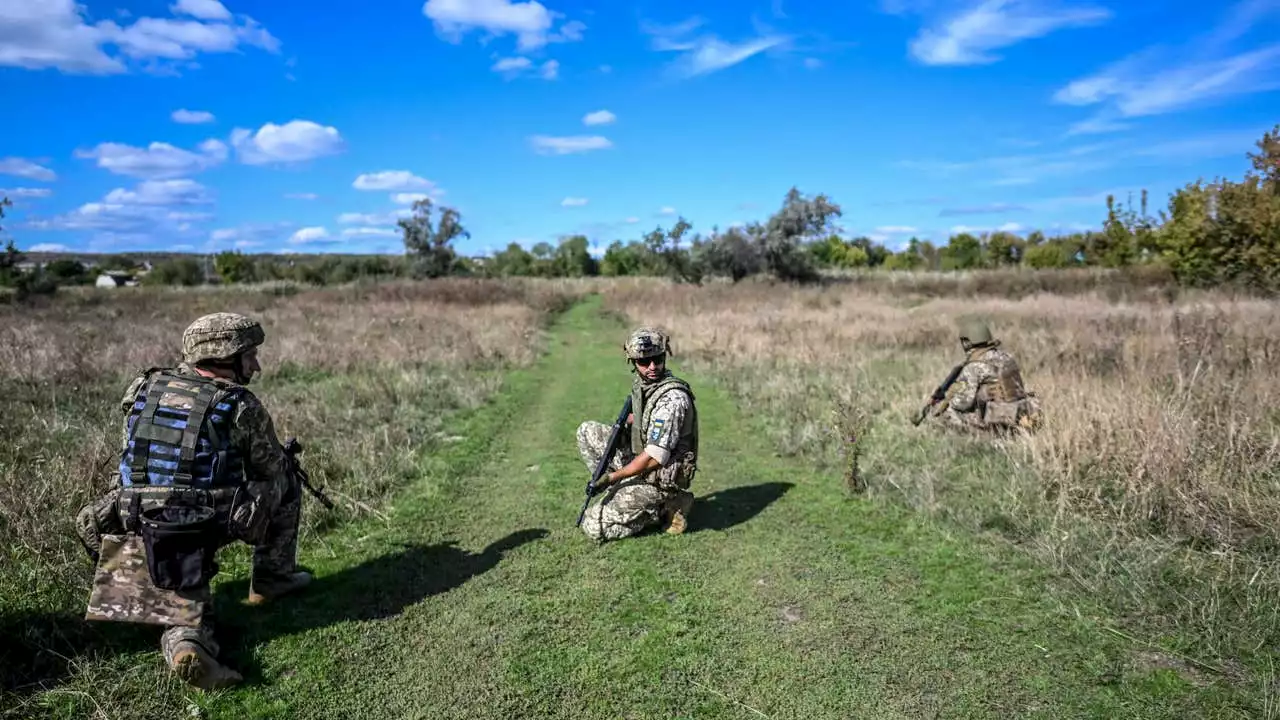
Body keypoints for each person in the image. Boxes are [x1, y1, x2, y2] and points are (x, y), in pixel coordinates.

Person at [75, 312, 311, 690]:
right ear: (225, 355)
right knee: (287, 476)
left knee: (175, 588)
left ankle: (152, 609)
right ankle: (269, 580)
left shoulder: (143, 386)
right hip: (195, 521)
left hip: (132, 514)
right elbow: (269, 466)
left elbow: (132, 450)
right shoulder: (238, 405)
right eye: (250, 355)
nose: (257, 365)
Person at [576, 327, 699, 541]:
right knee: (586, 432)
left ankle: (664, 508)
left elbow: (655, 457)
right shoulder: (646, 386)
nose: (652, 367)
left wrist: (612, 477)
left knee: (592, 526)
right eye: (644, 362)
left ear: (665, 356)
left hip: (658, 479)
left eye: (657, 359)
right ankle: (623, 492)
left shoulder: (672, 400)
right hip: (638, 461)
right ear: (633, 362)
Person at [917, 319, 1041, 433]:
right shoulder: (1007, 357)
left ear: (967, 342)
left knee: (944, 412)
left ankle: (981, 436)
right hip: (1019, 409)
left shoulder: (974, 365)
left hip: (997, 418)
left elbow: (963, 403)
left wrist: (947, 399)